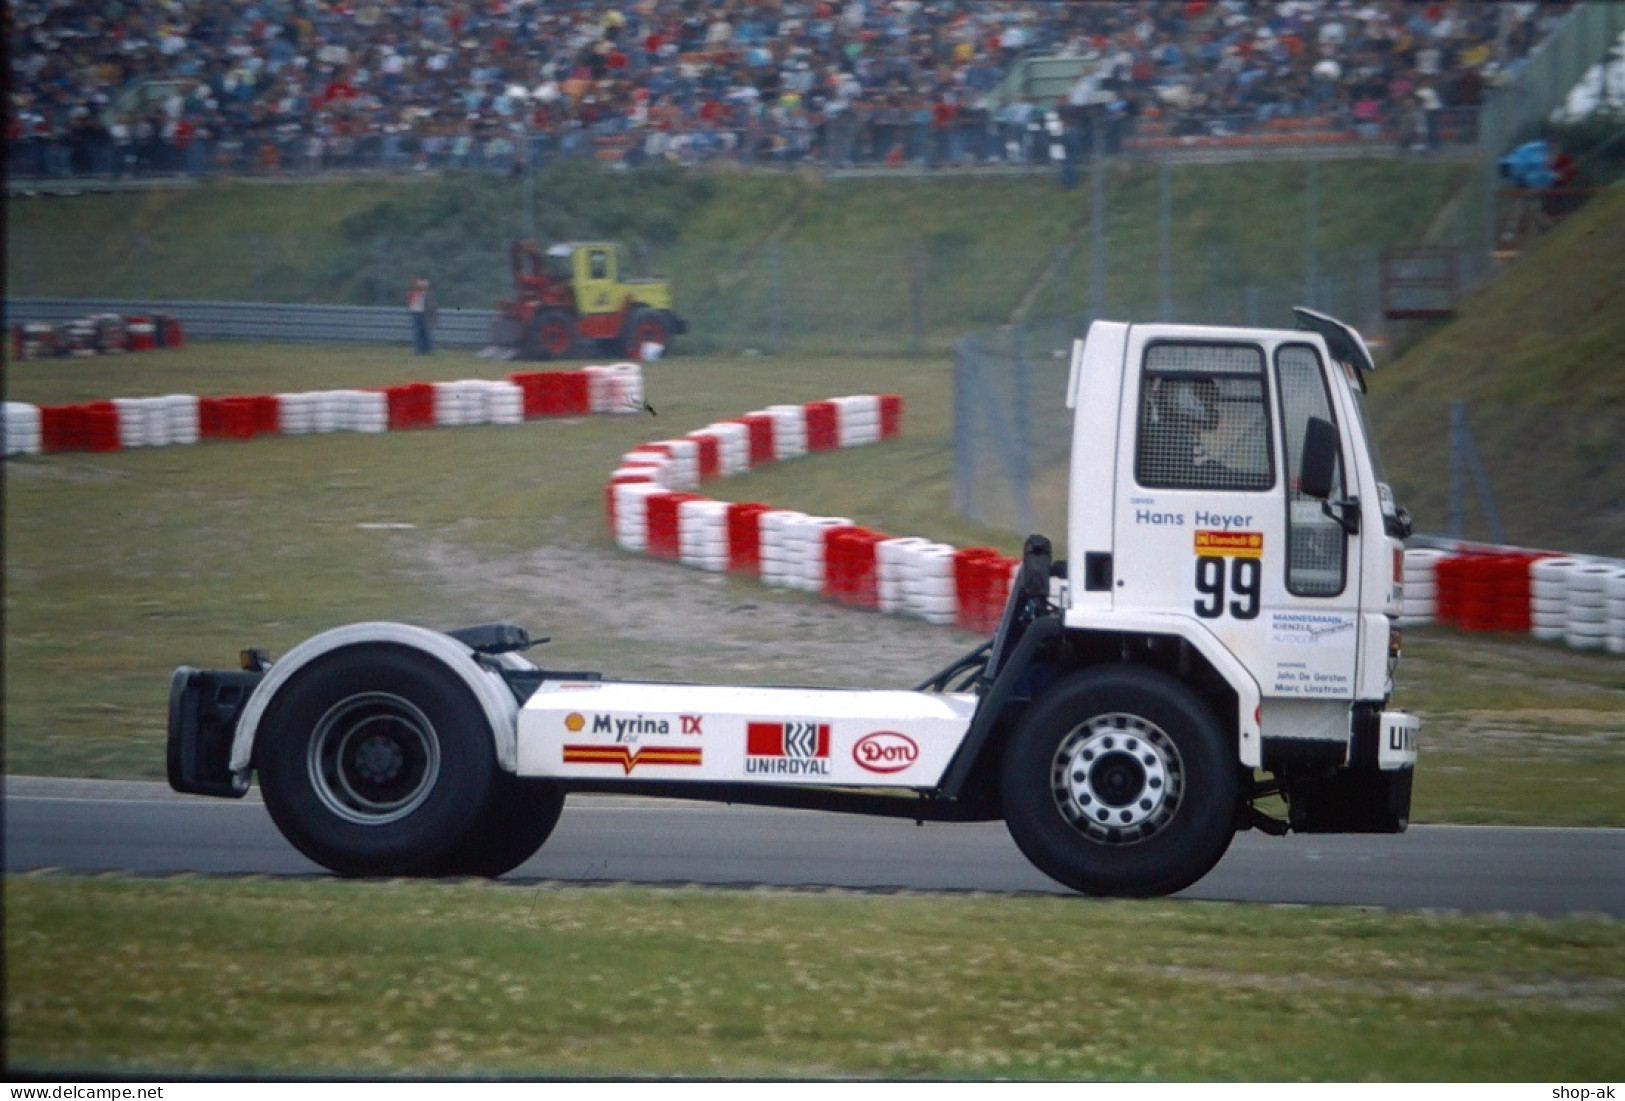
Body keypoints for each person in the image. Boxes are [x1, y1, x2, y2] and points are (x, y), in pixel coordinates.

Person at [407, 275, 434, 354]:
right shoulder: (413, 292)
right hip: (416, 312)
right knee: (418, 332)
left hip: (423, 313)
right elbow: (410, 300)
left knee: (425, 332)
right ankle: (419, 349)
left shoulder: (426, 293)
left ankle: (426, 349)